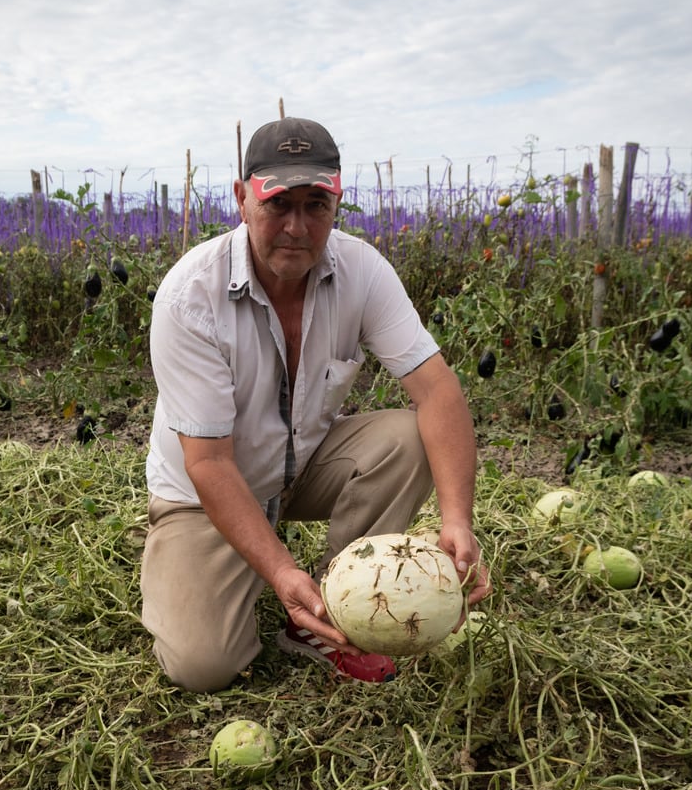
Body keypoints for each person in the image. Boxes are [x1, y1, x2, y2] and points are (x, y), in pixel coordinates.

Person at [140, 116, 490, 693]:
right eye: (278, 205)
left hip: (300, 468)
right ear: (242, 198)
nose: (297, 227)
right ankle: (193, 559)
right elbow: (208, 463)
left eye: (315, 205)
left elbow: (439, 391)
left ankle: (332, 608)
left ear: (337, 202)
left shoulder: (362, 270)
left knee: (407, 440)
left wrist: (457, 521)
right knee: (203, 665)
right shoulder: (190, 298)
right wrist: (280, 571)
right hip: (206, 494)